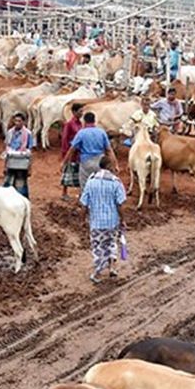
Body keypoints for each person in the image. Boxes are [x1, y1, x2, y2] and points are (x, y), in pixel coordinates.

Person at [79, 156, 126, 284]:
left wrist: (82, 220)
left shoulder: (91, 181)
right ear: (110, 167)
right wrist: (123, 219)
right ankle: (112, 267)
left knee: (98, 246)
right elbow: (120, 204)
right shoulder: (116, 182)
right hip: (112, 222)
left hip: (96, 222)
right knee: (111, 243)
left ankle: (98, 271)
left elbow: (84, 204)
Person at [64, 112, 116, 189]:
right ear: (94, 121)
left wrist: (65, 162)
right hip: (100, 161)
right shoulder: (101, 132)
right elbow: (109, 150)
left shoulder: (81, 133)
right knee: (99, 183)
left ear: (84, 121)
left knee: (85, 184)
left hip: (86, 162)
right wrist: (115, 163)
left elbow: (72, 149)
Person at [3, 113, 34, 198]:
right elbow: (7, 149)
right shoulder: (10, 133)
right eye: (15, 121)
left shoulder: (28, 134)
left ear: (23, 122)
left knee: (21, 185)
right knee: (8, 183)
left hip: (22, 163)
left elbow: (30, 152)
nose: (17, 123)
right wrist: (5, 166)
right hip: (11, 162)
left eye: (19, 121)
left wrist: (30, 167)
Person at [60, 103, 85, 199]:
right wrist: (66, 153)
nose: (82, 113)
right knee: (68, 172)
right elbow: (65, 139)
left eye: (82, 111)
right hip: (71, 152)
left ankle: (80, 192)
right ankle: (64, 193)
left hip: (78, 152)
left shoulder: (80, 124)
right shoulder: (69, 124)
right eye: (80, 111)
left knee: (78, 172)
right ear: (74, 112)